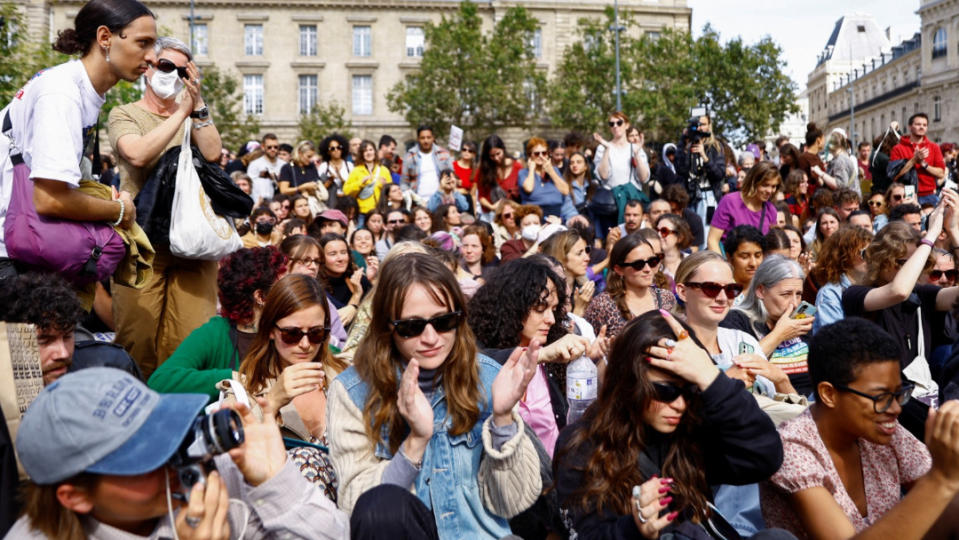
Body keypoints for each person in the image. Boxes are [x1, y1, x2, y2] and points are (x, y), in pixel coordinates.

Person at [327, 252, 543, 538]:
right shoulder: (354, 391)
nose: (430, 338)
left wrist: (502, 419)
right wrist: (415, 442)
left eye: (443, 322)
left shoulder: (489, 377)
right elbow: (361, 510)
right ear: (387, 327)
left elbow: (512, 503)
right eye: (412, 327)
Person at [8, 367, 349, 539]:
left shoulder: (214, 471)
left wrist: (278, 481)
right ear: (76, 496)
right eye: (146, 457)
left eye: (165, 431)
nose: (173, 456)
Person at [554, 310, 786, 540]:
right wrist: (635, 528)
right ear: (628, 382)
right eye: (665, 390)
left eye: (690, 390)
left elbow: (764, 458)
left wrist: (712, 379)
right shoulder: (582, 445)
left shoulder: (690, 425)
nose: (679, 404)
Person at [761, 318, 959, 539]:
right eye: (881, 396)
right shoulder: (793, 449)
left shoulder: (883, 431)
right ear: (829, 394)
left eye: (898, 394)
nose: (895, 408)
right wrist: (940, 477)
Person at [0, 0, 151, 284]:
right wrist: (120, 210)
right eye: (143, 43)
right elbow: (50, 199)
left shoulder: (77, 88)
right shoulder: (62, 93)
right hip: (9, 257)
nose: (152, 56)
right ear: (105, 38)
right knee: (35, 332)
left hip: (21, 246)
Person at [106, 35, 228, 377]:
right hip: (142, 244)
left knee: (188, 344)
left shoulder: (193, 114)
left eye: (180, 69)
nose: (171, 73)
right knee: (137, 341)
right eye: (164, 65)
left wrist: (197, 104)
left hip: (194, 245)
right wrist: (181, 115)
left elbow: (214, 154)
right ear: (147, 70)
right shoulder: (124, 114)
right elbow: (139, 153)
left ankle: (179, 418)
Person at [468, 258, 595, 458]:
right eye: (539, 308)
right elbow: (479, 363)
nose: (551, 319)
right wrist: (540, 355)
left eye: (553, 310)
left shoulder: (554, 360)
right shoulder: (480, 353)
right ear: (512, 306)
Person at [238, 273, 348, 500]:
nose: (305, 344)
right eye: (292, 334)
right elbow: (234, 458)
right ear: (270, 330)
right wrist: (273, 402)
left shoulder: (347, 376)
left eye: (316, 333)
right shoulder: (244, 388)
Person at [147, 246, 287, 400]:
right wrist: (232, 378)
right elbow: (160, 381)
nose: (290, 291)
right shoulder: (215, 333)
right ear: (260, 296)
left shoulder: (292, 330)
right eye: (283, 287)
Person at [721, 255, 815, 396]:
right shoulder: (737, 320)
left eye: (799, 294)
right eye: (786, 294)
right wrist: (779, 335)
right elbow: (737, 367)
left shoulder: (799, 323)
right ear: (761, 291)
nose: (795, 303)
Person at [585, 232, 677, 339]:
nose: (647, 269)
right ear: (619, 269)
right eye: (638, 265)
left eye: (652, 261)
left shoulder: (667, 298)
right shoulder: (602, 305)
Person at [811, 225, 873, 333]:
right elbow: (834, 341)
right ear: (844, 256)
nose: (871, 258)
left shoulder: (873, 285)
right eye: (865, 253)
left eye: (873, 252)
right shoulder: (829, 294)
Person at [708, 161, 780, 253]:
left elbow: (771, 246)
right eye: (765, 185)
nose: (769, 190)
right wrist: (723, 266)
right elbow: (713, 240)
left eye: (773, 186)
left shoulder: (771, 210)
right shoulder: (730, 201)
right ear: (754, 182)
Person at [593, 111, 651, 224]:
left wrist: (636, 154)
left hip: (632, 204)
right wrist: (607, 149)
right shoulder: (602, 148)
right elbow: (603, 175)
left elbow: (644, 178)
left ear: (627, 125)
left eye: (619, 123)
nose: (615, 126)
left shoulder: (635, 148)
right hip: (610, 204)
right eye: (611, 124)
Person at [675, 114, 726, 227]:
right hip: (690, 196)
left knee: (707, 233)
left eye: (702, 124)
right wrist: (682, 141)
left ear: (709, 126)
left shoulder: (716, 147)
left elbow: (719, 174)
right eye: (696, 125)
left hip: (709, 197)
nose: (699, 128)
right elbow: (679, 170)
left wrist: (704, 156)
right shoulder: (687, 146)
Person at [890, 113, 947, 206]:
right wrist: (914, 160)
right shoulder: (898, 148)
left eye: (924, 125)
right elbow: (894, 175)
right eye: (918, 124)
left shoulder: (934, 147)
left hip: (929, 195)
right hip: (907, 194)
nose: (922, 127)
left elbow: (941, 173)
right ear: (910, 126)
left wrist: (924, 164)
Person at [540, 229, 595, 317]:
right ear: (561, 257)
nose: (587, 258)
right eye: (579, 253)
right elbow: (564, 330)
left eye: (586, 251)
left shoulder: (583, 288)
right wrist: (579, 309)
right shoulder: (547, 293)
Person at [519, 137, 570, 219]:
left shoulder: (554, 171)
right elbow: (528, 188)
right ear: (529, 155)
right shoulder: (524, 173)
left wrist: (551, 171)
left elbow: (565, 191)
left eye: (544, 153)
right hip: (533, 216)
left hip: (555, 215)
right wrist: (532, 169)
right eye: (536, 154)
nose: (541, 156)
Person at [474, 134, 524, 215]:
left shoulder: (517, 166)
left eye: (498, 154)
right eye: (492, 156)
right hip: (491, 214)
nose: (496, 158)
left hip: (513, 213)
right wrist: (492, 207)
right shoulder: (484, 170)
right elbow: (481, 195)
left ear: (503, 150)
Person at [401, 125, 453, 200]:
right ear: (418, 139)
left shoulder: (443, 154)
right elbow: (404, 182)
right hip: (418, 201)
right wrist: (410, 198)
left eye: (428, 137)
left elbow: (451, 177)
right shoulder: (410, 156)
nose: (426, 141)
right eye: (423, 138)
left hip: (441, 200)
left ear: (433, 138)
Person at [344, 139, 390, 221]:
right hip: (362, 212)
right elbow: (346, 191)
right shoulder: (356, 170)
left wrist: (385, 186)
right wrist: (360, 184)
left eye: (370, 150)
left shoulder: (384, 170)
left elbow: (391, 191)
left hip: (381, 211)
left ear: (375, 152)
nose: (368, 153)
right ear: (362, 154)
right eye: (365, 151)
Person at [278, 140, 325, 210]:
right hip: (295, 204)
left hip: (312, 202)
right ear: (300, 153)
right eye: (309, 156)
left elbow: (316, 182)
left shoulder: (311, 166)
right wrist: (301, 188)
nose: (311, 159)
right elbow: (283, 190)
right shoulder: (287, 168)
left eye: (312, 156)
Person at [797, 123, 839, 193]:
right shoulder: (803, 158)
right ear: (818, 140)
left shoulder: (816, 156)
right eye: (824, 139)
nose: (825, 142)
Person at [722, 225, 765, 291]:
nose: (753, 263)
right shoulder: (721, 291)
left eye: (758, 256)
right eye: (745, 257)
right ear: (729, 257)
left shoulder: (768, 290)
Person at [317, 133, 353, 209]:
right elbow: (320, 188)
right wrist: (330, 181)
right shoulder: (324, 166)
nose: (336, 150)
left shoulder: (349, 166)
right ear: (328, 151)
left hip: (347, 202)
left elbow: (352, 186)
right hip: (329, 203)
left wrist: (340, 176)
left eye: (339, 147)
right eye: (332, 149)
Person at [247, 133, 283, 203]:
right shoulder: (255, 164)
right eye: (269, 147)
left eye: (276, 147)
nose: (273, 149)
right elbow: (250, 185)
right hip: (261, 202)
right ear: (263, 147)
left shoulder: (284, 164)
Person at [656, 213, 693, 280]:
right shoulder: (651, 263)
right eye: (657, 230)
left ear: (680, 237)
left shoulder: (691, 262)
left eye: (664, 231)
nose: (658, 235)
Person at [825, 128, 859, 193]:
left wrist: (821, 174)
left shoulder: (841, 160)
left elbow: (840, 185)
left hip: (847, 200)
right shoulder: (839, 158)